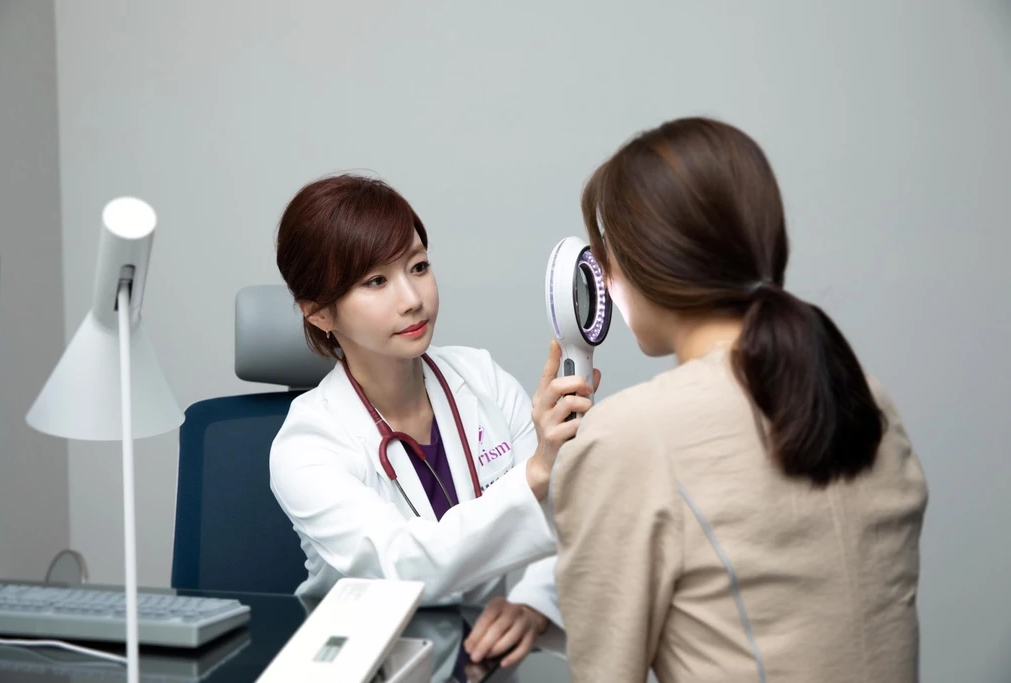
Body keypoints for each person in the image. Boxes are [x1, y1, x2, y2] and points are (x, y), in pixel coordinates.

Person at [550, 117, 928, 682]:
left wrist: (574, 467)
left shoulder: (634, 436)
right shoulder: (862, 394)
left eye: (608, 256)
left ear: (643, 261)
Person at [269, 173, 598, 668]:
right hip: (366, 666)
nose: (412, 298)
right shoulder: (307, 444)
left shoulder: (481, 378)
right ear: (319, 313)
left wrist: (533, 603)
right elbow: (403, 565)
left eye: (418, 266)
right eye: (376, 281)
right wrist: (535, 471)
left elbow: (570, 512)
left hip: (480, 665)